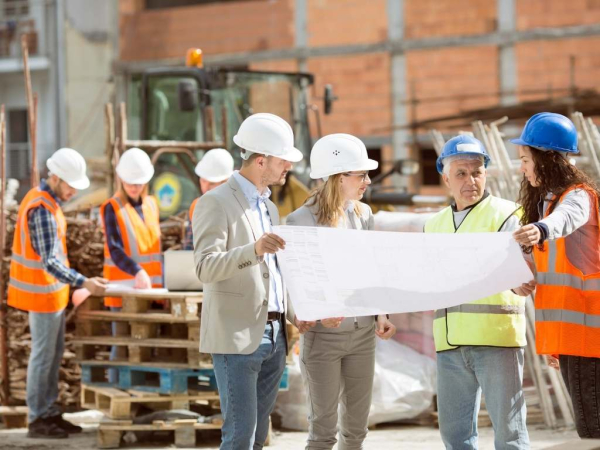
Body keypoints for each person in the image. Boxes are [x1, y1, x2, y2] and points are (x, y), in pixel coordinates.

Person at [192, 113, 313, 449]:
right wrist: (254, 249)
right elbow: (204, 267)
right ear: (262, 160)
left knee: (258, 437)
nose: (288, 165)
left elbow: (274, 274)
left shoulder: (270, 209)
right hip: (237, 337)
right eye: (283, 159)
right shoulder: (214, 203)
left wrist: (293, 313)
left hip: (274, 336)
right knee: (240, 437)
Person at [286, 133, 397, 450]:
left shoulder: (363, 215)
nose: (367, 180)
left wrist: (381, 314)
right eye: (360, 174)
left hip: (362, 336)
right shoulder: (300, 221)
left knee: (357, 431)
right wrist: (306, 313)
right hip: (323, 339)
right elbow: (291, 280)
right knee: (322, 433)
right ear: (337, 177)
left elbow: (371, 270)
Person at [424, 135, 534, 450]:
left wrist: (520, 279)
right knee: (456, 438)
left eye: (477, 171)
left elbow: (522, 268)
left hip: (496, 339)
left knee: (510, 436)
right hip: (450, 344)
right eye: (461, 173)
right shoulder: (433, 226)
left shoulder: (509, 215)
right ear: (445, 178)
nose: (470, 180)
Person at [8, 148, 107, 438]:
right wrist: (84, 282)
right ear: (56, 177)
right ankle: (39, 418)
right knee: (43, 357)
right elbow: (49, 262)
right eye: (70, 185)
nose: (74, 190)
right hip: (41, 296)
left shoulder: (47, 202)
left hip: (51, 295)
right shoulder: (41, 208)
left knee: (51, 356)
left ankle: (49, 413)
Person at [512, 112, 600, 439]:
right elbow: (555, 269)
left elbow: (567, 219)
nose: (521, 167)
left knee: (593, 430)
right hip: (573, 339)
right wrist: (524, 278)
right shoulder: (547, 204)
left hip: (590, 339)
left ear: (546, 159)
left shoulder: (576, 197)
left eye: (525, 159)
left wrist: (541, 229)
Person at [100, 148, 162, 381]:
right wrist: (137, 270)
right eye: (129, 183)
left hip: (151, 289)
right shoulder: (111, 207)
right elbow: (114, 248)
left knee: (145, 344)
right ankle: (118, 389)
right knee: (122, 342)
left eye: (139, 183)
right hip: (123, 287)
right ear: (121, 180)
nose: (134, 187)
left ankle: (139, 390)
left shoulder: (152, 205)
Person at [183, 148, 234, 250]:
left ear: (226, 182)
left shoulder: (238, 207)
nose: (205, 188)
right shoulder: (196, 206)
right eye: (203, 181)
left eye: (212, 183)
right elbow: (189, 248)